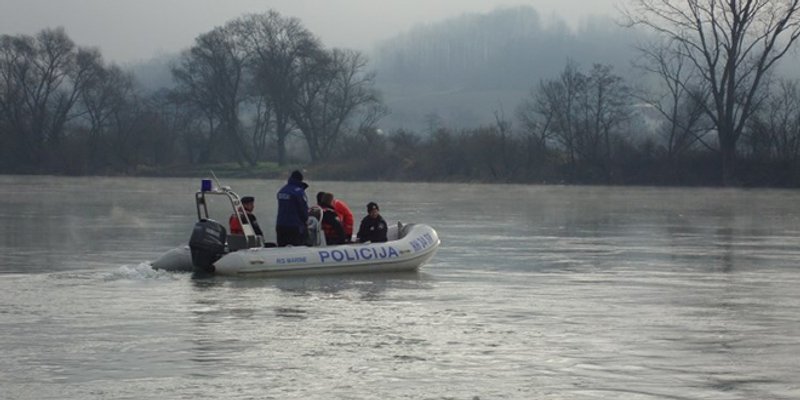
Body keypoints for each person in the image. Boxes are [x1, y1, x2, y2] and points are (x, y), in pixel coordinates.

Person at [275, 170, 309, 247]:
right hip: (294, 226)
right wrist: (306, 220)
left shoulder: (282, 190)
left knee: (282, 248)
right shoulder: (299, 192)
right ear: (300, 180)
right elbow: (303, 209)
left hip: (280, 225)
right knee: (297, 251)